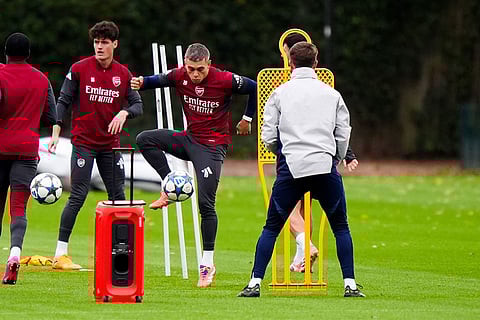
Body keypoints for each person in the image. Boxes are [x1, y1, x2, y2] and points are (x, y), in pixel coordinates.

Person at [238, 42, 365, 298]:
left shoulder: (280, 93)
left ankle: (254, 284)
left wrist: (281, 152)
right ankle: (350, 285)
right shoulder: (332, 94)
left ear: (291, 63)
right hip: (324, 166)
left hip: (291, 167)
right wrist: (337, 156)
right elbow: (343, 133)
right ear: (316, 63)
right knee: (340, 226)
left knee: (271, 227)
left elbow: (268, 135)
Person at [131, 43, 256, 288]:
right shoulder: (180, 75)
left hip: (212, 146)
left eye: (200, 69)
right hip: (188, 139)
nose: (195, 74)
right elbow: (158, 79)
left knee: (205, 204)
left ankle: (207, 264)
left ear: (209, 64)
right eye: (191, 69)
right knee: (145, 139)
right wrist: (140, 82)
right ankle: (170, 186)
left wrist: (246, 118)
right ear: (185, 65)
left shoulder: (225, 79)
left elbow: (255, 87)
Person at [52, 21, 143, 270]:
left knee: (119, 199)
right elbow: (63, 100)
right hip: (83, 143)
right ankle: (60, 253)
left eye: (105, 42)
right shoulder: (80, 69)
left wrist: (124, 113)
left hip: (109, 146)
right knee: (79, 194)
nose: (100, 46)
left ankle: (120, 255)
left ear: (115, 44)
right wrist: (56, 130)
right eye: (96, 42)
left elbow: (137, 105)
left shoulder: (123, 74)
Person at [282, 32, 359, 273]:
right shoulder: (325, 86)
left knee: (287, 210)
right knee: (307, 209)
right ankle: (302, 256)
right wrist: (345, 153)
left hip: (292, 156)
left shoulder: (282, 83)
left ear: (288, 54)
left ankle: (306, 246)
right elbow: (334, 125)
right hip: (322, 159)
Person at [0, 33, 58, 284]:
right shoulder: (41, 79)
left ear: (6, 53)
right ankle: (14, 254)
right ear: (29, 54)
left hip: (1, 146)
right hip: (26, 148)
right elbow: (50, 117)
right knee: (18, 207)